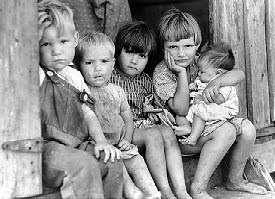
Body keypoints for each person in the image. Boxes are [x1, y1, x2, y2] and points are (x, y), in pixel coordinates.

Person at [152, 8, 267, 199]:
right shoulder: (163, 72)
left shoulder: (201, 61)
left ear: (197, 45)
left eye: (188, 46)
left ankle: (234, 180)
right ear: (163, 47)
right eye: (173, 47)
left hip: (208, 124)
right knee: (227, 131)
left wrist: (217, 81)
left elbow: (239, 74)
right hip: (182, 137)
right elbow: (180, 108)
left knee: (247, 128)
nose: (181, 53)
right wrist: (181, 74)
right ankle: (198, 188)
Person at [38, 1, 123, 198]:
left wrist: (101, 141)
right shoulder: (38, 75)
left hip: (77, 144)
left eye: (63, 41)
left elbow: (87, 112)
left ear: (75, 39)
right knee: (83, 164)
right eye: (45, 43)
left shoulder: (75, 77)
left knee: (111, 158)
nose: (56, 50)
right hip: (47, 150)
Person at [110, 20, 192, 199]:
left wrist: (154, 113)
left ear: (148, 58)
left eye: (142, 56)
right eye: (129, 52)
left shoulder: (146, 80)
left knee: (167, 132)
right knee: (153, 135)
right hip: (122, 130)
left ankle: (181, 190)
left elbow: (149, 109)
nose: (134, 61)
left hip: (141, 124)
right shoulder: (109, 75)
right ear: (118, 50)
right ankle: (166, 192)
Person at [74, 31, 160, 199]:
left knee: (137, 162)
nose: (98, 69)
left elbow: (128, 120)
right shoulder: (83, 92)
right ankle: (132, 193)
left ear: (113, 64)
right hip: (100, 147)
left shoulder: (117, 91)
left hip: (121, 143)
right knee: (117, 163)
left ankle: (152, 194)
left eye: (104, 62)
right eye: (89, 62)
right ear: (79, 65)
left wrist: (127, 140)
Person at [178, 42, 239, 146]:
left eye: (202, 72)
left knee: (200, 111)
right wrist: (193, 87)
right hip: (206, 108)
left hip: (220, 110)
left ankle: (193, 137)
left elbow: (219, 99)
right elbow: (198, 86)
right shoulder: (206, 78)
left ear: (218, 73)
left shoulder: (224, 86)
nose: (198, 74)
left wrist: (201, 98)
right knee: (182, 116)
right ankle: (188, 128)